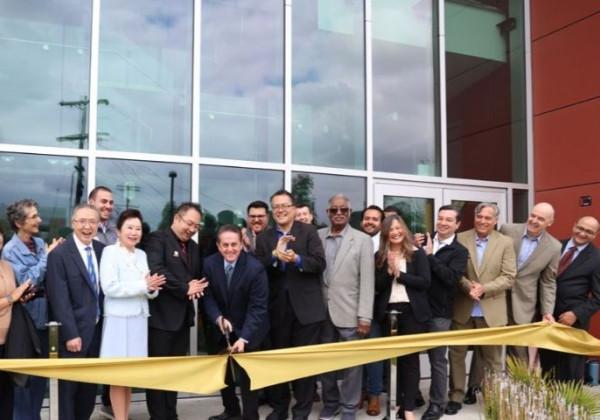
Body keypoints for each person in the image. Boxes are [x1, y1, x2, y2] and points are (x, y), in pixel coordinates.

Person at [255, 190, 327, 420]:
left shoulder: (308, 232)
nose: (281, 210)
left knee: (303, 364)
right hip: (277, 310)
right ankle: (279, 409)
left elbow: (319, 263)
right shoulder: (265, 237)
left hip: (306, 310)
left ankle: (301, 411)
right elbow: (257, 269)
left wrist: (296, 259)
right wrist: (275, 255)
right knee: (279, 362)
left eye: (285, 205)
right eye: (276, 206)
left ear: (294, 208)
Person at [446, 203, 516, 416]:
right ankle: (456, 396)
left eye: (488, 217)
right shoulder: (460, 238)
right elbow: (453, 270)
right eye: (480, 217)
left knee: (493, 359)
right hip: (463, 307)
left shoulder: (505, 242)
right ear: (474, 217)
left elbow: (509, 276)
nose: (483, 221)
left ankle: (493, 398)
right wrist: (469, 286)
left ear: (495, 220)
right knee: (456, 355)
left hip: (492, 310)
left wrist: (484, 288)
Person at [99, 209, 166, 420]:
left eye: (138, 229)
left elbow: (148, 289)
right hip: (118, 321)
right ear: (118, 230)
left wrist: (152, 288)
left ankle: (124, 416)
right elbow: (109, 288)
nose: (134, 232)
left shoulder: (142, 254)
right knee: (117, 376)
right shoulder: (110, 252)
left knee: (131, 375)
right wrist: (143, 285)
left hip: (138, 320)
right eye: (130, 228)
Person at [144, 202, 208, 420]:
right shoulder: (157, 239)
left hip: (182, 320)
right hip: (160, 320)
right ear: (177, 218)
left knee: (175, 372)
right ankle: (158, 416)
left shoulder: (194, 247)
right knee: (158, 373)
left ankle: (171, 414)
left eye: (196, 226)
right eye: (189, 223)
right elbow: (157, 271)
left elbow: (196, 277)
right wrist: (185, 287)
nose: (192, 229)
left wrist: (196, 287)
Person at [2, 199, 62, 420]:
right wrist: (49, 256)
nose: (40, 220)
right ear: (18, 222)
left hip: (44, 322)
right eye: (34, 216)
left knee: (38, 384)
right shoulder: (10, 250)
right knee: (23, 386)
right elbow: (28, 281)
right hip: (24, 325)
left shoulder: (39, 243)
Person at [46, 204, 105, 420]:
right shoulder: (60, 254)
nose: (87, 226)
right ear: (73, 223)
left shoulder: (101, 251)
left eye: (92, 222)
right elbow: (59, 299)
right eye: (82, 221)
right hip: (73, 336)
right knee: (67, 394)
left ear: (98, 225)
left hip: (97, 334)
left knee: (87, 394)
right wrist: (71, 333)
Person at [317, 194, 374, 420]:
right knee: (325, 362)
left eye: (343, 210)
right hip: (321, 312)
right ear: (328, 212)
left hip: (350, 313)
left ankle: (349, 407)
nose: (338, 213)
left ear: (350, 213)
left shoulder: (362, 240)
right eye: (334, 210)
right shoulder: (317, 236)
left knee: (352, 365)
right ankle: (331, 403)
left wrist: (365, 317)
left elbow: (367, 281)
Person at [204, 225, 269, 420]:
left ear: (241, 244)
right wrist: (218, 318)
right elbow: (207, 297)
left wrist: (244, 338)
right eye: (225, 245)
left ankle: (250, 416)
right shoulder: (208, 263)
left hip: (249, 329)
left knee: (247, 378)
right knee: (223, 375)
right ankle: (231, 411)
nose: (230, 249)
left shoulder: (255, 268)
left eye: (234, 244)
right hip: (220, 328)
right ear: (218, 245)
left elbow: (258, 307)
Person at [373, 215, 430, 420]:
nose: (395, 232)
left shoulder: (417, 254)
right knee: (392, 362)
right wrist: (388, 272)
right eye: (391, 230)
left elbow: (425, 282)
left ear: (403, 230)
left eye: (398, 228)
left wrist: (400, 274)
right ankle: (394, 405)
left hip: (412, 313)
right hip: (389, 313)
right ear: (386, 234)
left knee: (410, 361)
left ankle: (408, 408)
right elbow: (377, 287)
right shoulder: (379, 255)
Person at [413, 205, 468, 420]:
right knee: (409, 358)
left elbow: (450, 279)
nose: (443, 223)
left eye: (448, 220)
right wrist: (416, 249)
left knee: (437, 359)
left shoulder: (460, 251)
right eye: (440, 218)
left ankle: (437, 404)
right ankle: (411, 398)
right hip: (415, 309)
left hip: (439, 313)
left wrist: (430, 257)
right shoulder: (421, 242)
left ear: (457, 225)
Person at [540, 216, 600, 382]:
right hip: (547, 317)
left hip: (573, 322)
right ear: (574, 225)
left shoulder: (596, 258)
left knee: (571, 370)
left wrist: (575, 314)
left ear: (595, 235)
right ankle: (549, 403)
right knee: (548, 366)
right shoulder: (555, 246)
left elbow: (598, 297)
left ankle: (570, 406)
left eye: (589, 231)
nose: (582, 233)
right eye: (580, 228)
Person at [500, 203, 560, 367]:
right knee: (489, 349)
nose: (534, 220)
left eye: (540, 219)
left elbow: (548, 281)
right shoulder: (507, 230)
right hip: (496, 298)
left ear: (550, 222)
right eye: (533, 215)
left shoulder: (554, 247)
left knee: (519, 353)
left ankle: (518, 389)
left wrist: (547, 311)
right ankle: (479, 387)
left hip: (524, 303)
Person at [0, 263, 33, 420]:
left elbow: (14, 295)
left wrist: (22, 297)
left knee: (7, 395)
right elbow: (11, 296)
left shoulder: (6, 266)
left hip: (9, 341)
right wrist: (12, 297)